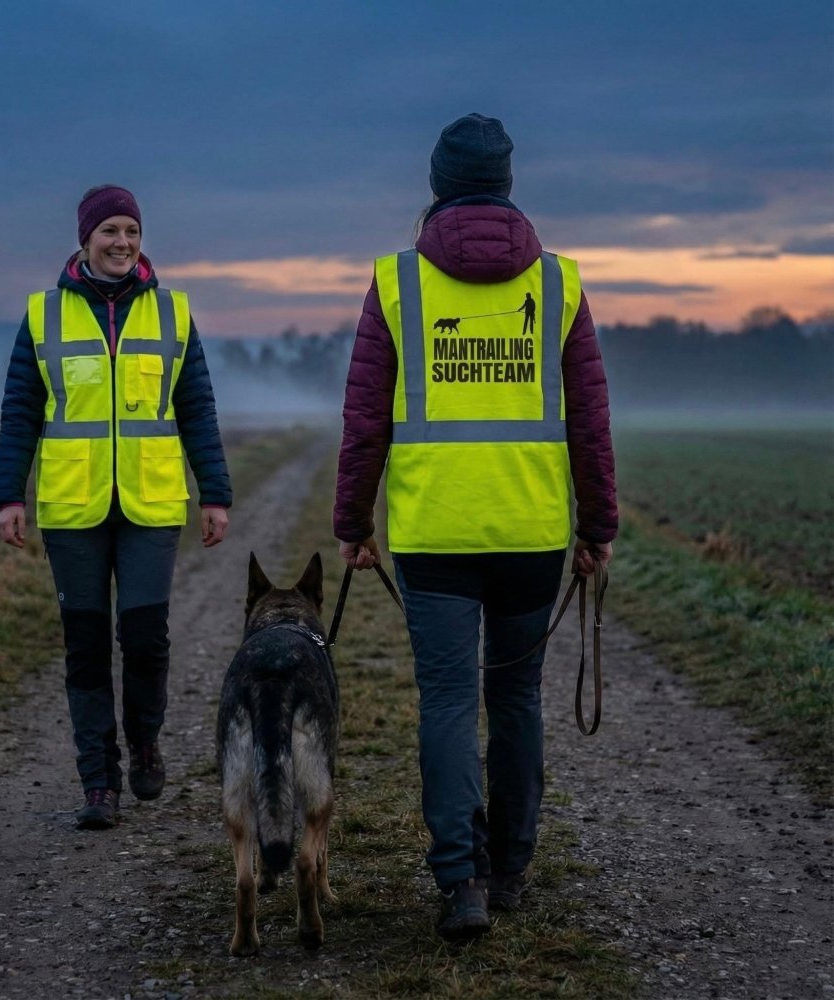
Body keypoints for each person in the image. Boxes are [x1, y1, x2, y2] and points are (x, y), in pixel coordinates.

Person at [334, 114, 617, 940]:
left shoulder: (398, 282)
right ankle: (514, 867)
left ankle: (462, 880)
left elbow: (364, 421)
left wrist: (353, 521)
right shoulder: (560, 284)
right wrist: (597, 526)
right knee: (517, 698)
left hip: (434, 532)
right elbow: (591, 421)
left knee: (451, 702)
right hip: (531, 529)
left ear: (437, 184)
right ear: (507, 184)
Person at [0, 185, 232, 830]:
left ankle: (145, 740)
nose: (122, 242)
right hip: (74, 505)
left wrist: (215, 492)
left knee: (146, 639)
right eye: (109, 231)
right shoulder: (43, 315)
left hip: (152, 503)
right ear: (85, 239)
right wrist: (9, 494)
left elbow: (196, 408)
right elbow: (21, 411)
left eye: (131, 230)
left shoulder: (173, 312)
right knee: (87, 647)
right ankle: (99, 781)